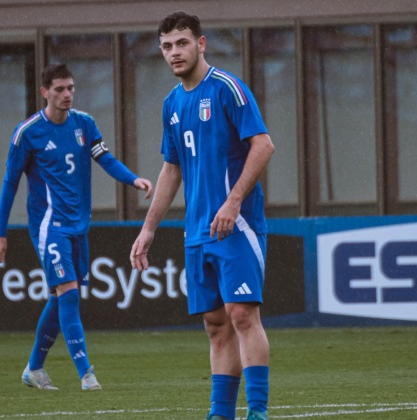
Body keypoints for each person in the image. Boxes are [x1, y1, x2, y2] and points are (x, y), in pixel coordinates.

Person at [130, 11, 275, 420]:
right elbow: (171, 169)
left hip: (236, 224)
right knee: (215, 324)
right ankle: (220, 413)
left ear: (201, 43)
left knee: (243, 314)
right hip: (197, 230)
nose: (174, 53)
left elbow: (263, 145)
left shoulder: (228, 88)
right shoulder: (171, 103)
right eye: (166, 46)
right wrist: (149, 228)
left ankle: (258, 413)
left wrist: (232, 202)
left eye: (181, 43)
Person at [0, 63, 153, 391]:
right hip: (50, 227)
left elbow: (105, 158)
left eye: (71, 88)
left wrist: (132, 179)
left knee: (60, 296)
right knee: (69, 294)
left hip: (79, 225)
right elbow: (10, 184)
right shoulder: (28, 132)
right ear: (45, 92)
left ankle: (34, 369)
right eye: (60, 89)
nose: (67, 95)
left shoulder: (84, 124)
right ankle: (86, 373)